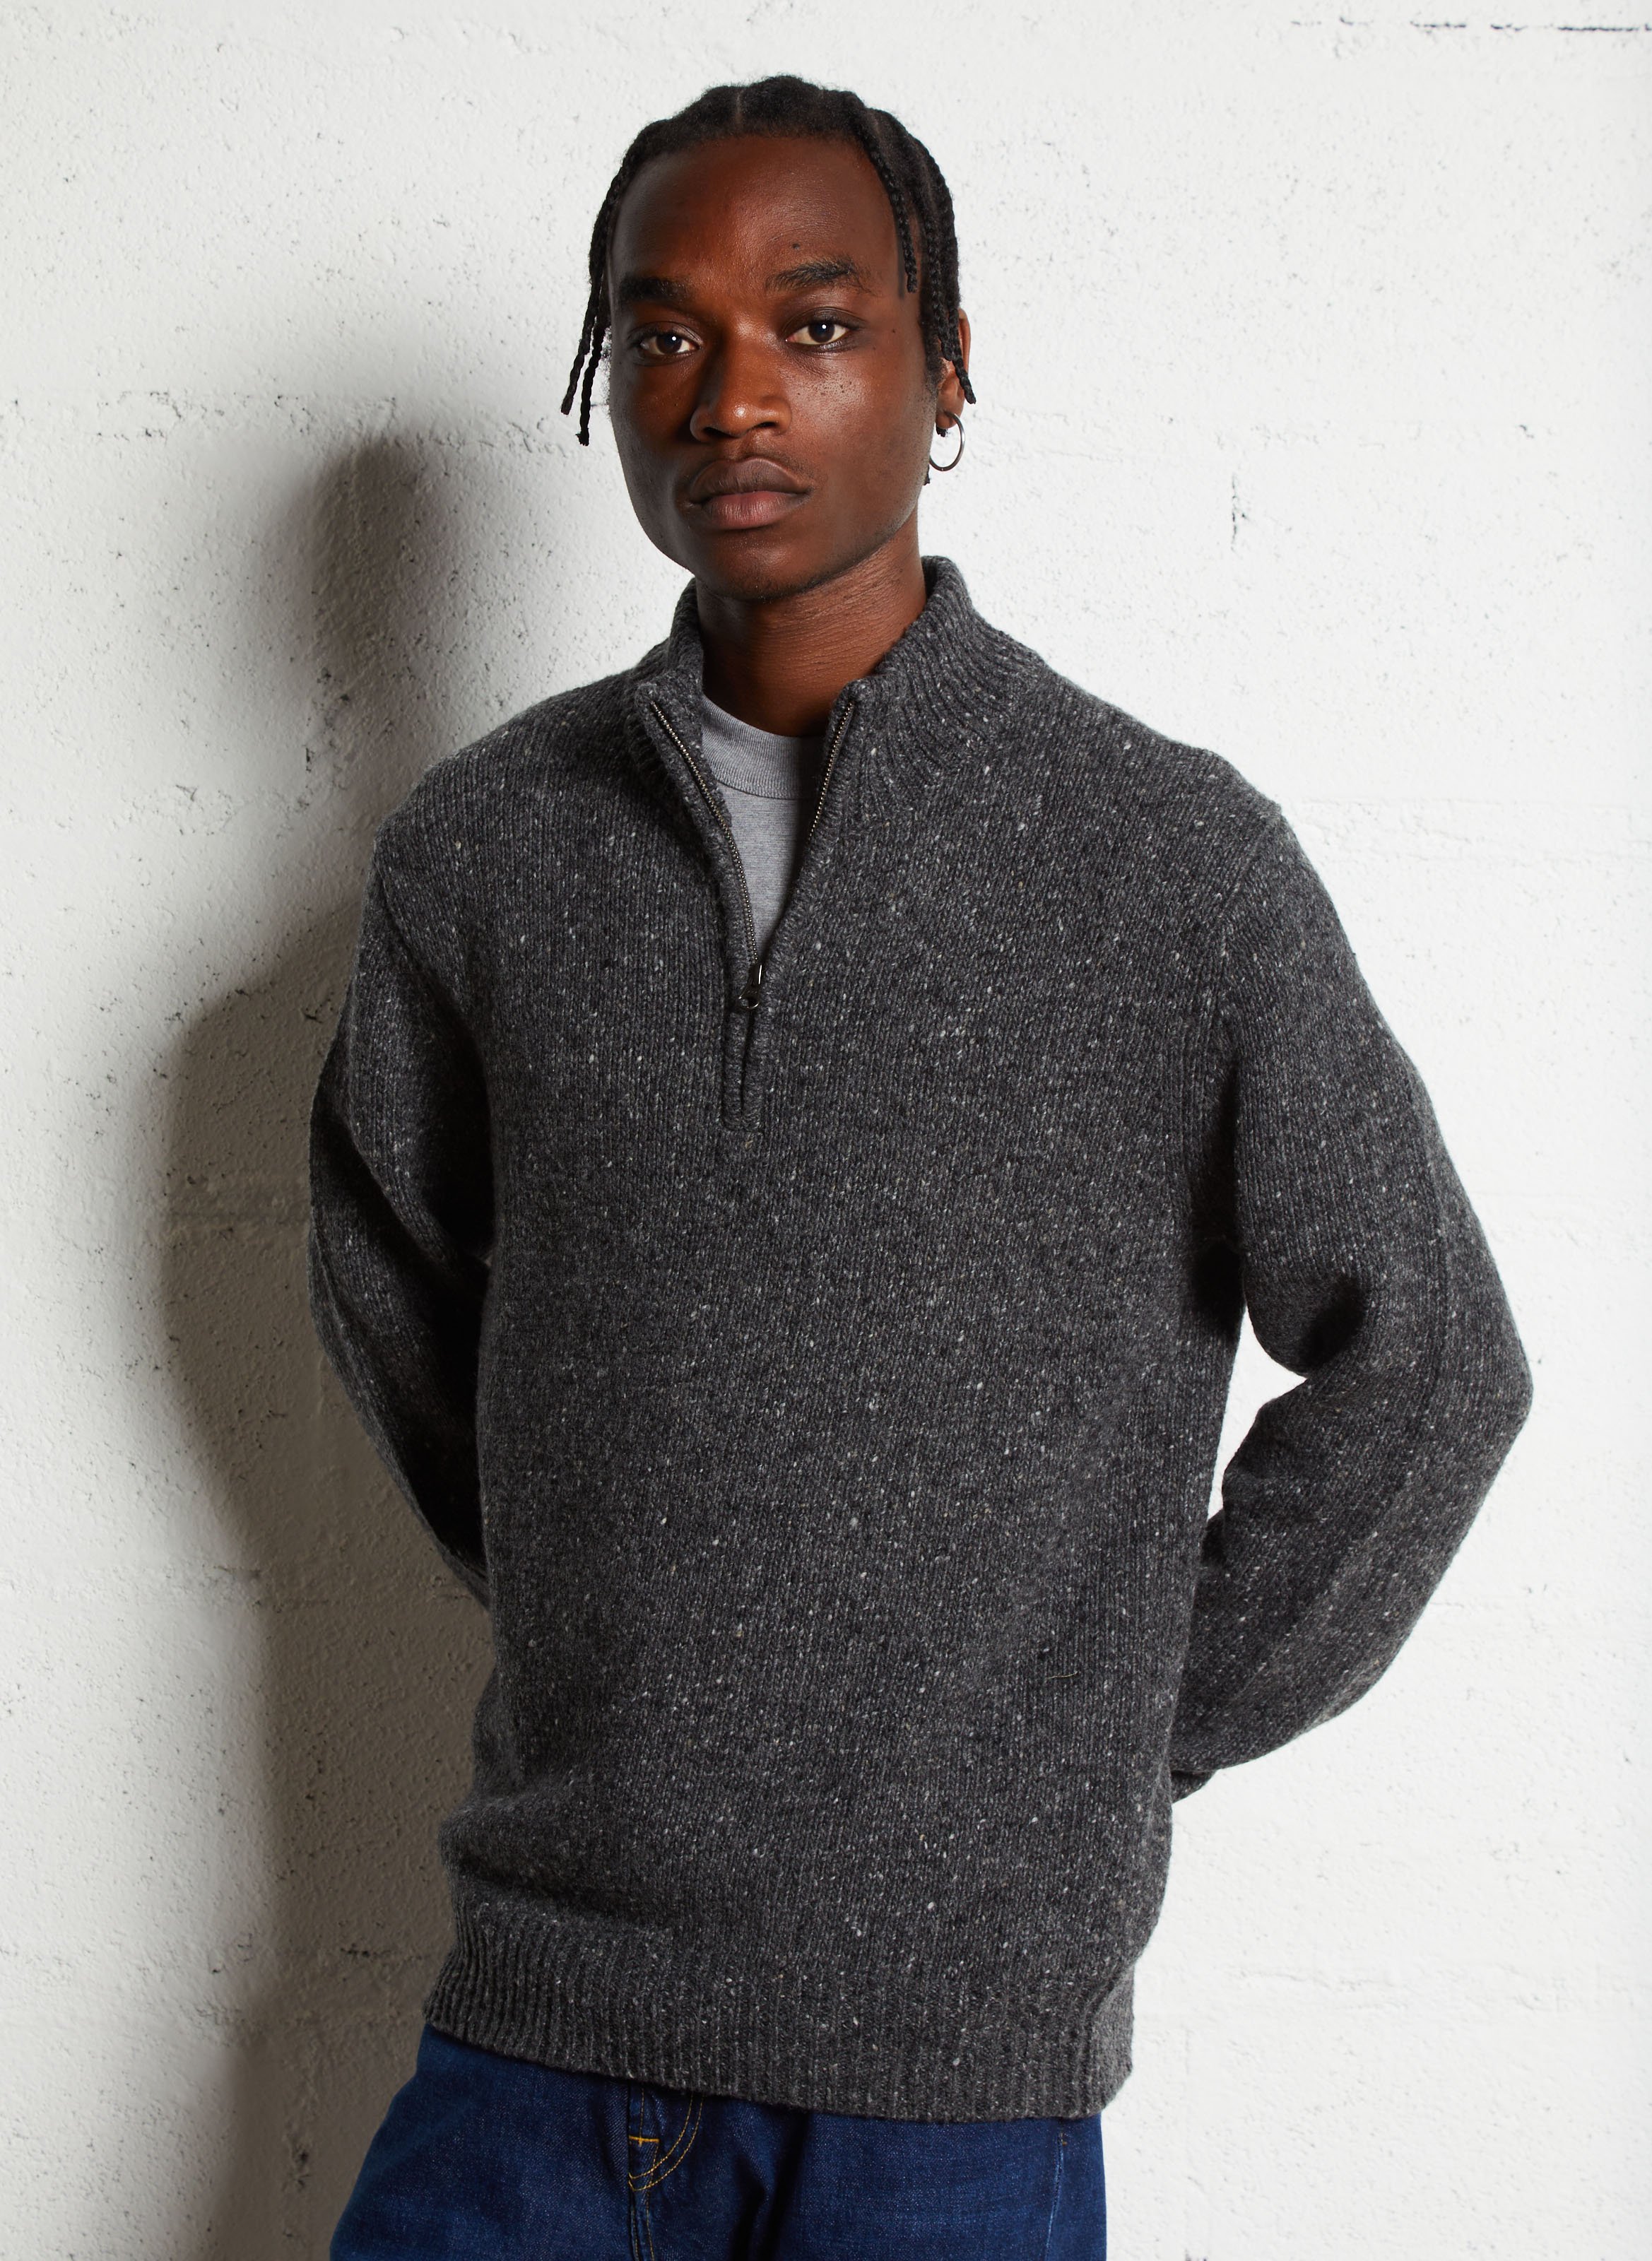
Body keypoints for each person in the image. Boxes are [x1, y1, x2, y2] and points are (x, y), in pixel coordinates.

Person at [309, 73, 1532, 2260]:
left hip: (943, 2086)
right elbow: (402, 1296)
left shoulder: (1166, 862)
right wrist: (631, 1632)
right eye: (662, 333)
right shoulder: (487, 854)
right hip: (536, 2042)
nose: (730, 395)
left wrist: (1108, 1735)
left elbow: (1427, 1360)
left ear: (943, 368)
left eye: (814, 323)